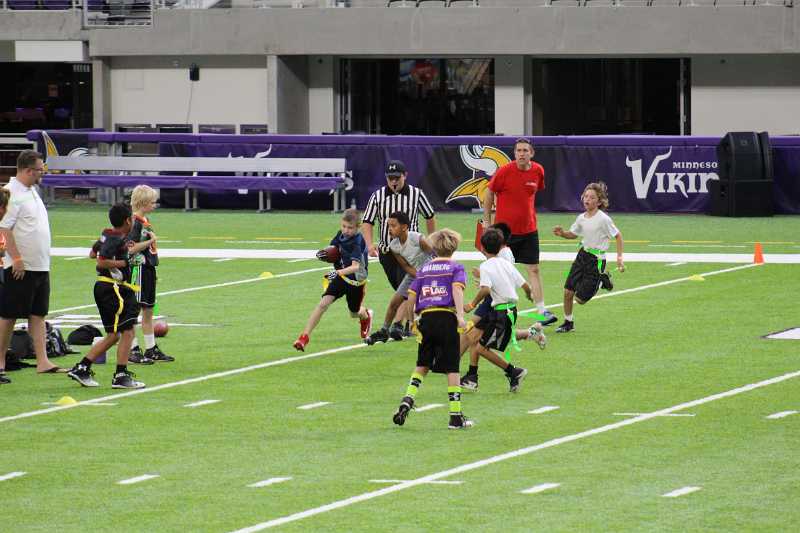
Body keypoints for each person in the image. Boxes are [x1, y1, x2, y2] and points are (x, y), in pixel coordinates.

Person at [67, 203, 156, 389]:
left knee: (114, 335)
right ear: (127, 221)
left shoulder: (107, 233)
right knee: (128, 331)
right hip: (113, 288)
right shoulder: (115, 238)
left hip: (107, 287)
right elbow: (100, 261)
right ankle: (121, 376)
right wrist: (123, 263)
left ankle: (82, 367)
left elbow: (92, 253)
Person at [391, 229, 474, 430]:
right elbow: (456, 289)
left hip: (426, 318)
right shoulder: (456, 267)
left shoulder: (424, 269)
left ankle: (408, 398)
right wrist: (460, 316)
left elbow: (411, 297)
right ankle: (455, 416)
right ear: (454, 248)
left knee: (422, 364)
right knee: (452, 367)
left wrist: (412, 321)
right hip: (446, 317)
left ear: (434, 248)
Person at [0, 150, 64, 385]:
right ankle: (0, 362)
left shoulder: (31, 191)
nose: (42, 173)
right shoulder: (11, 193)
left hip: (39, 265)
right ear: (28, 170)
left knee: (38, 314)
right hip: (21, 266)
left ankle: (43, 361)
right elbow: (4, 228)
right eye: (39, 170)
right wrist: (16, 258)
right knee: (9, 315)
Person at [459, 222, 545, 391]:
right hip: (506, 309)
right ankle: (471, 377)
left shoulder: (485, 266)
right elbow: (524, 284)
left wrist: (471, 304)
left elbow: (485, 289)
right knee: (474, 336)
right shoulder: (505, 263)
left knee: (482, 348)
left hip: (500, 312)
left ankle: (513, 371)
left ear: (482, 247)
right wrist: (529, 294)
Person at [482, 138, 557, 327]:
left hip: (529, 229)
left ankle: (542, 312)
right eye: (518, 150)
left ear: (531, 153)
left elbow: (532, 194)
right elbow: (489, 192)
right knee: (498, 271)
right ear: (514, 153)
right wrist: (487, 222)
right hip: (503, 233)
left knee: (534, 270)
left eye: (525, 150)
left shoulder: (538, 171)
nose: (522, 153)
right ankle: (491, 311)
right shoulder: (504, 171)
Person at [362, 160, 436, 336]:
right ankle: (410, 321)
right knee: (400, 289)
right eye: (390, 178)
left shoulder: (416, 194)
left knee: (406, 288)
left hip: (411, 252)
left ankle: (398, 324)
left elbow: (430, 215)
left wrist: (431, 239)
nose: (394, 181)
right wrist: (369, 244)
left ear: (405, 176)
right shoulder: (378, 196)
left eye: (397, 178)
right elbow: (367, 221)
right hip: (388, 252)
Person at [293, 208, 372, 351]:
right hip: (341, 278)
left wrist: (337, 272)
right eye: (344, 226)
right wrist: (325, 254)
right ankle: (304, 337)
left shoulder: (358, 241)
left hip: (355, 282)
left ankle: (366, 316)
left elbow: (355, 267)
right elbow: (333, 249)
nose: (346, 230)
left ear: (358, 227)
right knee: (323, 304)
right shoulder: (340, 235)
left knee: (354, 313)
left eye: (350, 228)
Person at [552, 181, 624, 333]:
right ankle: (568, 323)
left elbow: (618, 236)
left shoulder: (603, 219)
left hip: (596, 260)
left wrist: (619, 258)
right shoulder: (581, 218)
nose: (588, 199)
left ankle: (602, 279)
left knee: (580, 300)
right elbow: (573, 234)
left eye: (592, 197)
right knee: (568, 291)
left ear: (599, 201)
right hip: (582, 256)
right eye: (586, 196)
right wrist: (563, 233)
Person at [365, 211, 433, 345]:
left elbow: (433, 254)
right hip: (414, 274)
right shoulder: (393, 245)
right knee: (394, 303)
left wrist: (431, 274)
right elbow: (406, 266)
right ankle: (384, 331)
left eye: (393, 225)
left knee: (429, 304)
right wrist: (418, 276)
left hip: (430, 273)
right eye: (388, 226)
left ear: (404, 227)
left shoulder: (417, 238)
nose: (389, 229)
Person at [127, 185, 173, 364]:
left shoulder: (145, 220)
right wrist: (151, 241)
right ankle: (132, 349)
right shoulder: (135, 222)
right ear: (143, 202)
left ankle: (151, 348)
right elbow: (131, 249)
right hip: (138, 269)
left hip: (148, 269)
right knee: (134, 310)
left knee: (148, 309)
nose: (155, 205)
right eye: (152, 202)